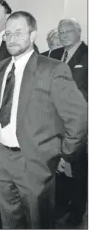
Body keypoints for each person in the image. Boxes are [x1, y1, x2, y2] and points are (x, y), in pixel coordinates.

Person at [0, 11, 87, 229]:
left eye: (19, 32)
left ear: (33, 35)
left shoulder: (52, 69)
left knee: (38, 222)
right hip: (2, 160)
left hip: (35, 163)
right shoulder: (0, 68)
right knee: (9, 222)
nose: (12, 38)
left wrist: (66, 153)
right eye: (8, 33)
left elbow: (80, 116)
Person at [49, 18, 88, 226]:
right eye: (60, 31)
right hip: (55, 121)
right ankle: (62, 205)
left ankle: (78, 210)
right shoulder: (54, 55)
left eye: (67, 31)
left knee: (78, 168)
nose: (63, 35)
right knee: (58, 165)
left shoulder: (87, 55)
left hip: (78, 121)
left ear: (78, 32)